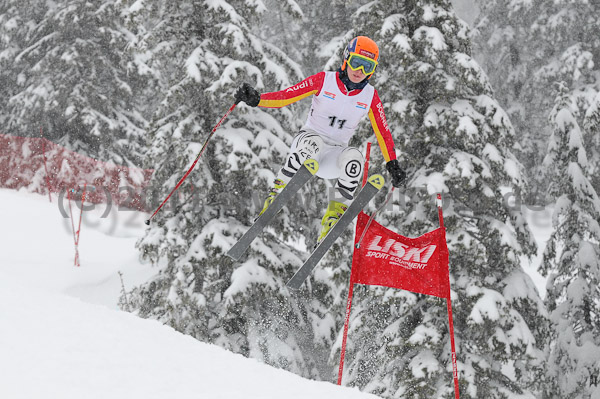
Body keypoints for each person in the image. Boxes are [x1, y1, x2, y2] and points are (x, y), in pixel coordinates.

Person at [234, 36, 406, 244]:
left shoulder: (370, 96)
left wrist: (392, 163)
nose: (359, 70)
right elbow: (288, 95)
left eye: (366, 66)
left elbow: (383, 132)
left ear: (372, 70)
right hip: (307, 143)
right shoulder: (325, 80)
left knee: (355, 159)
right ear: (346, 58)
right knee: (313, 144)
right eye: (356, 62)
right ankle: (277, 193)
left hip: (333, 156)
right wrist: (258, 99)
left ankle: (333, 217)